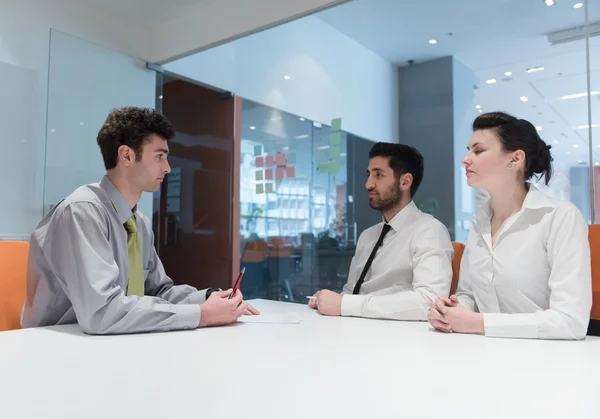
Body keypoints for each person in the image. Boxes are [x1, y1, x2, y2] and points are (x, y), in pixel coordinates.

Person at [21, 107, 258, 334]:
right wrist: (202, 315)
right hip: (56, 347)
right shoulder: (83, 211)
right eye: (159, 157)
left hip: (111, 341)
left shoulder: (139, 223)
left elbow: (157, 291)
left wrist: (208, 299)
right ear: (126, 155)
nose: (167, 168)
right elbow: (102, 313)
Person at [428, 111, 592, 340]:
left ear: (514, 159)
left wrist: (479, 323)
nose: (466, 159)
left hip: (548, 361)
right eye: (468, 150)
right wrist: (451, 309)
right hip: (485, 354)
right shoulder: (479, 223)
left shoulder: (560, 217)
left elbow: (570, 321)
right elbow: (468, 293)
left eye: (478, 150)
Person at [309, 142, 453, 320]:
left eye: (378, 175)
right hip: (354, 332)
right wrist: (330, 301)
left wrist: (345, 304)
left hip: (397, 340)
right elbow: (351, 292)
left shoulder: (429, 231)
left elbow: (429, 302)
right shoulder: (368, 236)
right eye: (369, 174)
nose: (368, 184)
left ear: (405, 181)